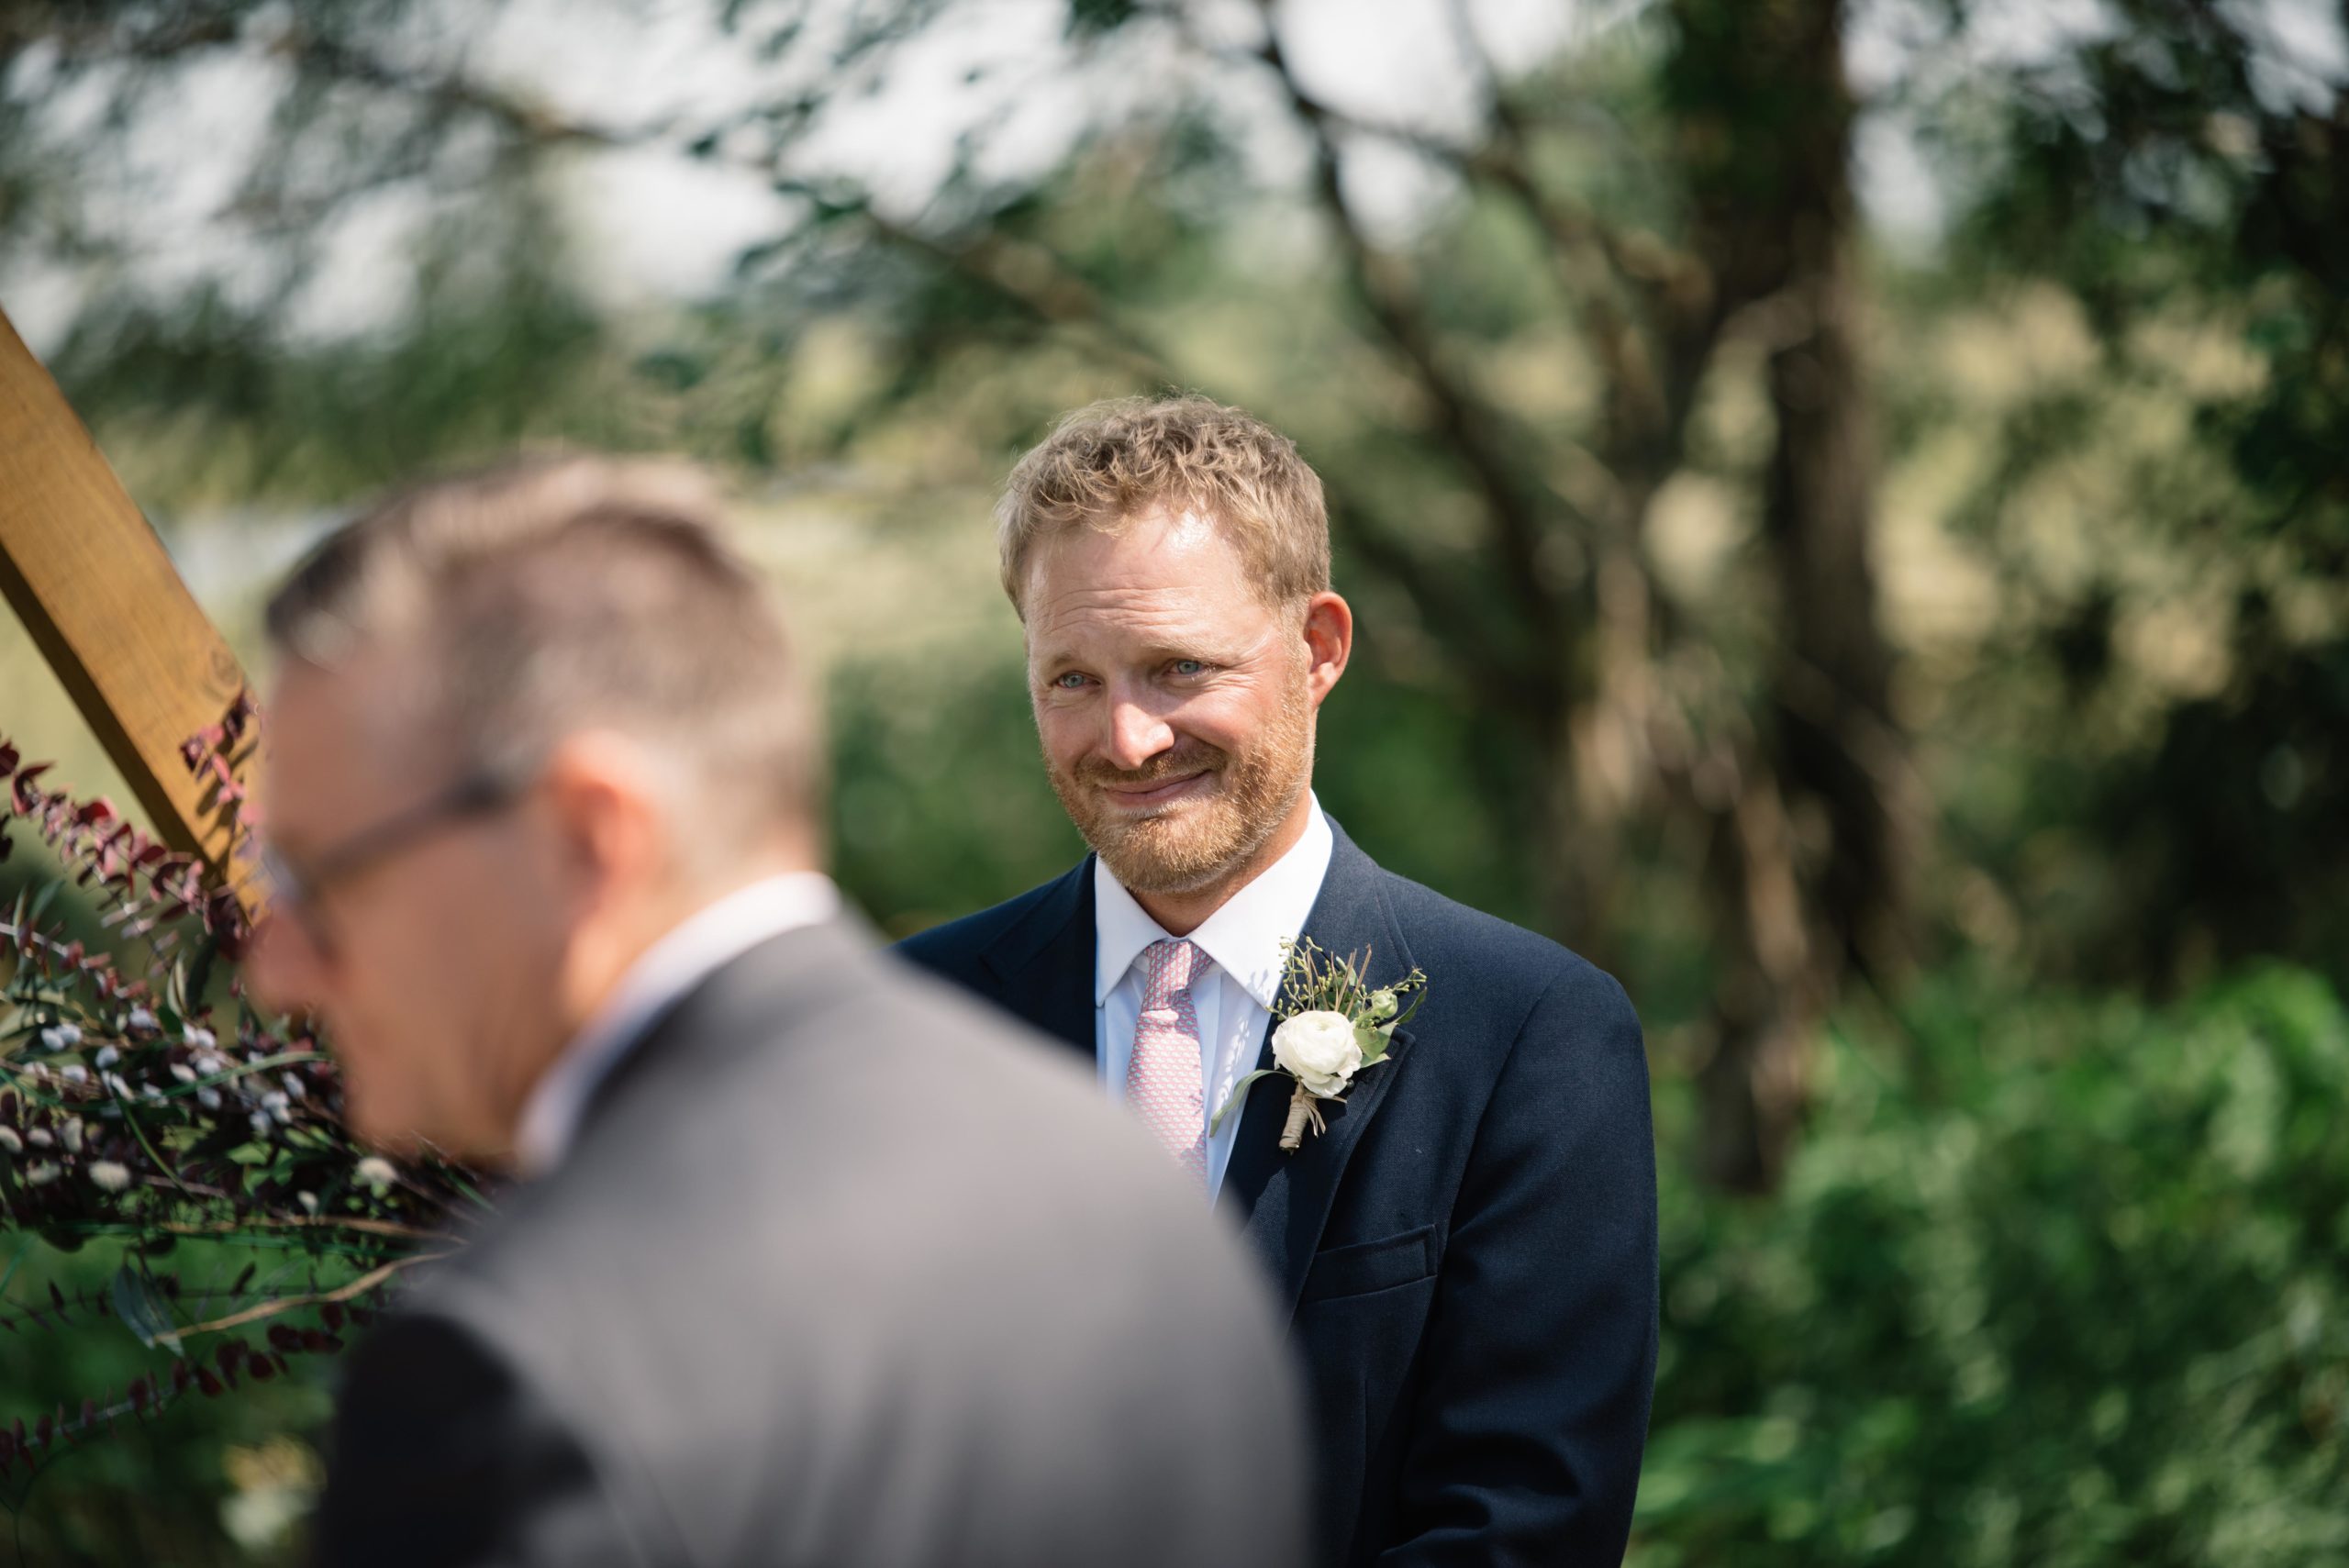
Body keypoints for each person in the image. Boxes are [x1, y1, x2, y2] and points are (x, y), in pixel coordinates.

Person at [242, 454, 1305, 1568]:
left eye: (321, 878)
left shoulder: (518, 1359)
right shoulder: (1133, 1184)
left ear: (587, 835)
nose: (276, 966)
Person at [898, 396, 1659, 1566]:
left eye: (1177, 668)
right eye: (1071, 680)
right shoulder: (914, 1023)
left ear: (1318, 649)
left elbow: (1524, 1532)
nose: (1129, 737)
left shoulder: (1530, 1037)